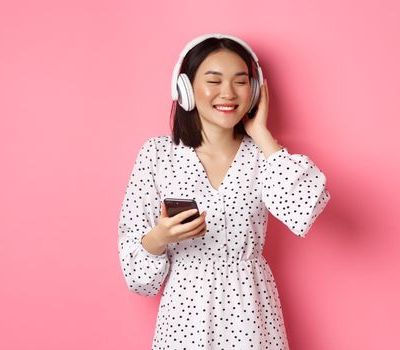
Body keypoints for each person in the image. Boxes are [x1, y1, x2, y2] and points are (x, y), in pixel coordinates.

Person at [117, 33, 331, 349]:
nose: (228, 93)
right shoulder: (157, 155)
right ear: (185, 89)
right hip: (184, 317)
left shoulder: (265, 156)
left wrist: (262, 134)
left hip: (252, 313)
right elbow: (138, 279)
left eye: (241, 81)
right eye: (213, 81)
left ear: (256, 90)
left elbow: (304, 212)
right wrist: (160, 238)